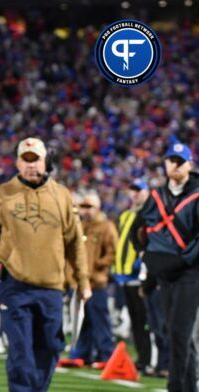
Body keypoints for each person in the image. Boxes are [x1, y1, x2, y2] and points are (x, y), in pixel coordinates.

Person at [0, 137, 90, 392]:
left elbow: (75, 243)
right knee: (21, 351)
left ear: (45, 161)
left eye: (35, 159)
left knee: (51, 347)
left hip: (52, 286)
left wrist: (83, 281)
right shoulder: (2, 194)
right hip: (14, 285)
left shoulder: (61, 195)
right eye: (25, 160)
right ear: (16, 162)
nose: (30, 165)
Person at [131, 143, 199, 392]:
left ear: (190, 164)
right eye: (171, 160)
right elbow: (137, 228)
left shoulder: (197, 193)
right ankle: (189, 387)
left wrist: (182, 261)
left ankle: (175, 386)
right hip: (165, 273)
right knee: (177, 333)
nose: (175, 165)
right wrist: (148, 257)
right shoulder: (158, 195)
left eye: (180, 161)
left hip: (190, 273)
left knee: (180, 333)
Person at [66, 191, 118, 367]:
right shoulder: (78, 226)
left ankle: (106, 355)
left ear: (98, 208)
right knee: (83, 321)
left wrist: (97, 266)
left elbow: (112, 251)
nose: (86, 210)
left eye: (89, 207)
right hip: (79, 282)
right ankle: (82, 353)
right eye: (83, 206)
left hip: (96, 282)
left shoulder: (106, 226)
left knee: (99, 319)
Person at [112, 179, 154, 374]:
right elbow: (121, 244)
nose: (135, 194)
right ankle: (142, 358)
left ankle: (151, 359)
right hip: (124, 277)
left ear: (147, 193)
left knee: (147, 321)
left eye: (139, 190)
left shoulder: (149, 215)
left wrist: (142, 267)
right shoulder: (125, 215)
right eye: (133, 190)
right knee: (136, 322)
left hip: (140, 276)